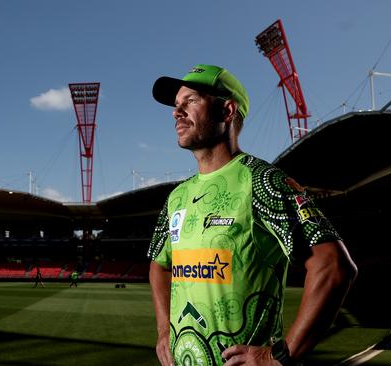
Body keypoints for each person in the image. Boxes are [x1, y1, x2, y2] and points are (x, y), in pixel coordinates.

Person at [147, 64, 357, 366]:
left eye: (191, 100)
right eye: (176, 104)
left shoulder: (262, 182)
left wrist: (279, 356)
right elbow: (159, 264)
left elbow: (334, 267)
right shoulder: (176, 197)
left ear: (228, 110)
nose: (176, 111)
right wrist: (163, 329)